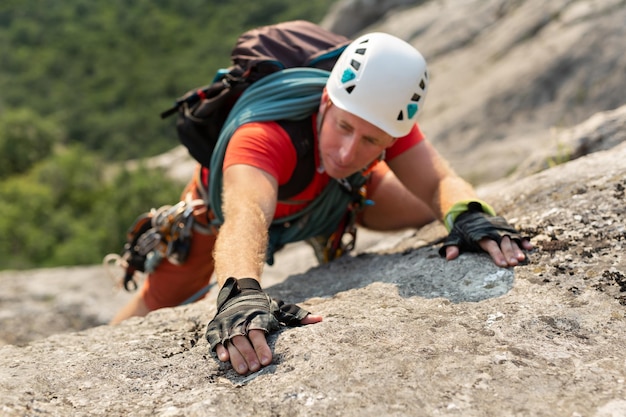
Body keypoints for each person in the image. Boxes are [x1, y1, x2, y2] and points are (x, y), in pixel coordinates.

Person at [110, 31, 532, 375]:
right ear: (327, 102)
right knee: (157, 298)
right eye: (344, 127)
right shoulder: (266, 136)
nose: (348, 152)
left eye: (370, 141)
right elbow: (246, 214)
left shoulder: (383, 116)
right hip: (217, 213)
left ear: (391, 137)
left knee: (431, 209)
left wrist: (470, 215)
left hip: (335, 198)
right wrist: (239, 292)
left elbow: (438, 180)